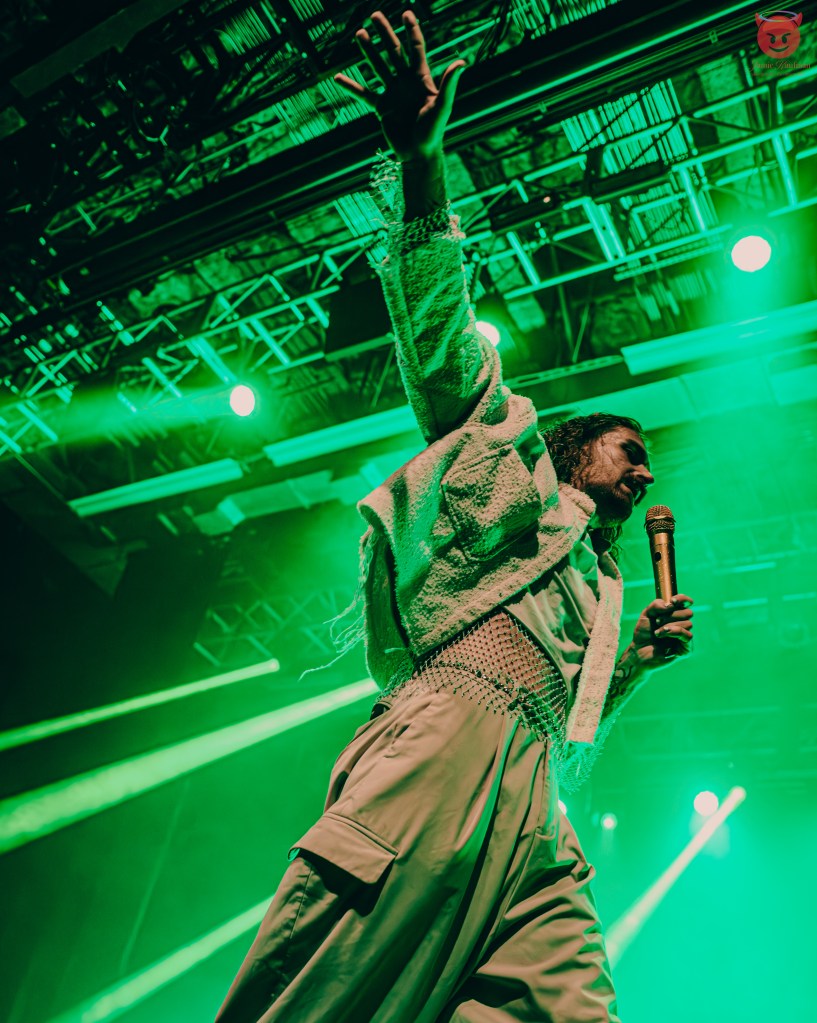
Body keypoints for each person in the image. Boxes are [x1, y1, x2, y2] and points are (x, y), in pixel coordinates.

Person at [215, 11, 694, 1023]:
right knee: (321, 991)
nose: (644, 471)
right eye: (630, 450)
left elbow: (573, 704)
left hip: (534, 794)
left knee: (567, 1008)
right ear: (574, 450)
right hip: (443, 740)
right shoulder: (511, 470)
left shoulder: (607, 581)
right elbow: (443, 350)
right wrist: (419, 162)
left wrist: (635, 666)